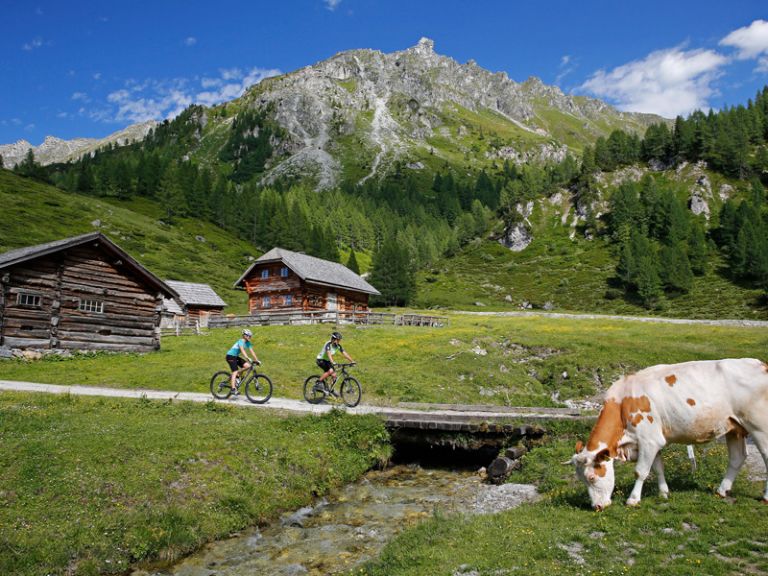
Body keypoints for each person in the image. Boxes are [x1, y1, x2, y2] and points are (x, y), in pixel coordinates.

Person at [225, 328, 261, 395]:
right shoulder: (240, 341)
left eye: (250, 336)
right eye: (249, 336)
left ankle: (237, 376)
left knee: (248, 366)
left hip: (235, 357)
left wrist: (257, 360)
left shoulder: (248, 343)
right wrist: (247, 358)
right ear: (244, 336)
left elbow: (252, 352)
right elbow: (242, 350)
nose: (250, 337)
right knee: (235, 371)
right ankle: (233, 389)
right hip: (230, 356)